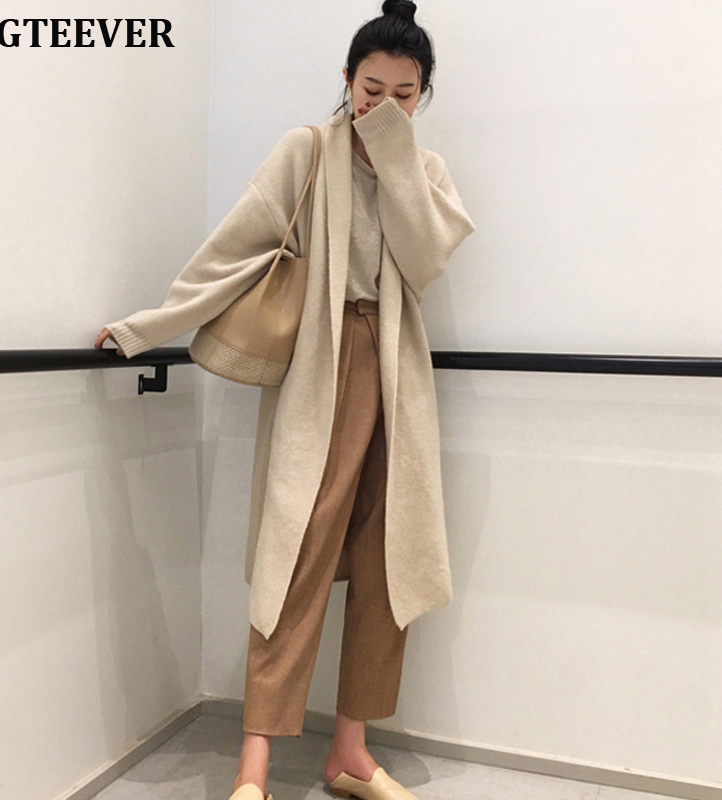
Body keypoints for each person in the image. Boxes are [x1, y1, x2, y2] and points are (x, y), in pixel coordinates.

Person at [95, 2, 475, 798]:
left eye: (404, 95)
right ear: (347, 79)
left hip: (398, 377)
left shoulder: (427, 171)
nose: (385, 106)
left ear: (424, 95)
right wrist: (146, 326)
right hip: (324, 369)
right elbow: (232, 246)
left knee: (388, 562)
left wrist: (395, 155)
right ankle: (255, 766)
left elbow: (425, 261)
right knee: (296, 556)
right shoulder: (306, 150)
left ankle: (350, 754)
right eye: (371, 90)